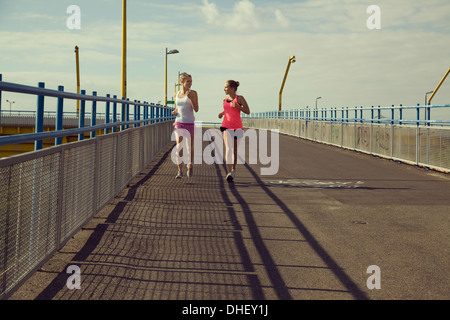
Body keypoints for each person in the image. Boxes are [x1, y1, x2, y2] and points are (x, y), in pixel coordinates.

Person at [218, 80, 250, 182]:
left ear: (232, 88)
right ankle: (228, 173)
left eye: (226, 87)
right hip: (226, 126)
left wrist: (238, 107)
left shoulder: (239, 98)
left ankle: (233, 170)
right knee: (228, 149)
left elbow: (247, 111)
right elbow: (227, 109)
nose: (224, 89)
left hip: (237, 127)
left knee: (235, 151)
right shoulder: (225, 99)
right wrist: (222, 113)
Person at [172, 73, 199, 178]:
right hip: (179, 121)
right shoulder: (176, 94)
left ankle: (190, 165)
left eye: (191, 81)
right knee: (179, 146)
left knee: (189, 146)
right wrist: (175, 111)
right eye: (188, 81)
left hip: (190, 122)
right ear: (182, 82)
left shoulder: (193, 93)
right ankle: (179, 171)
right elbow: (179, 107)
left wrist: (190, 98)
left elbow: (196, 109)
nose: (190, 83)